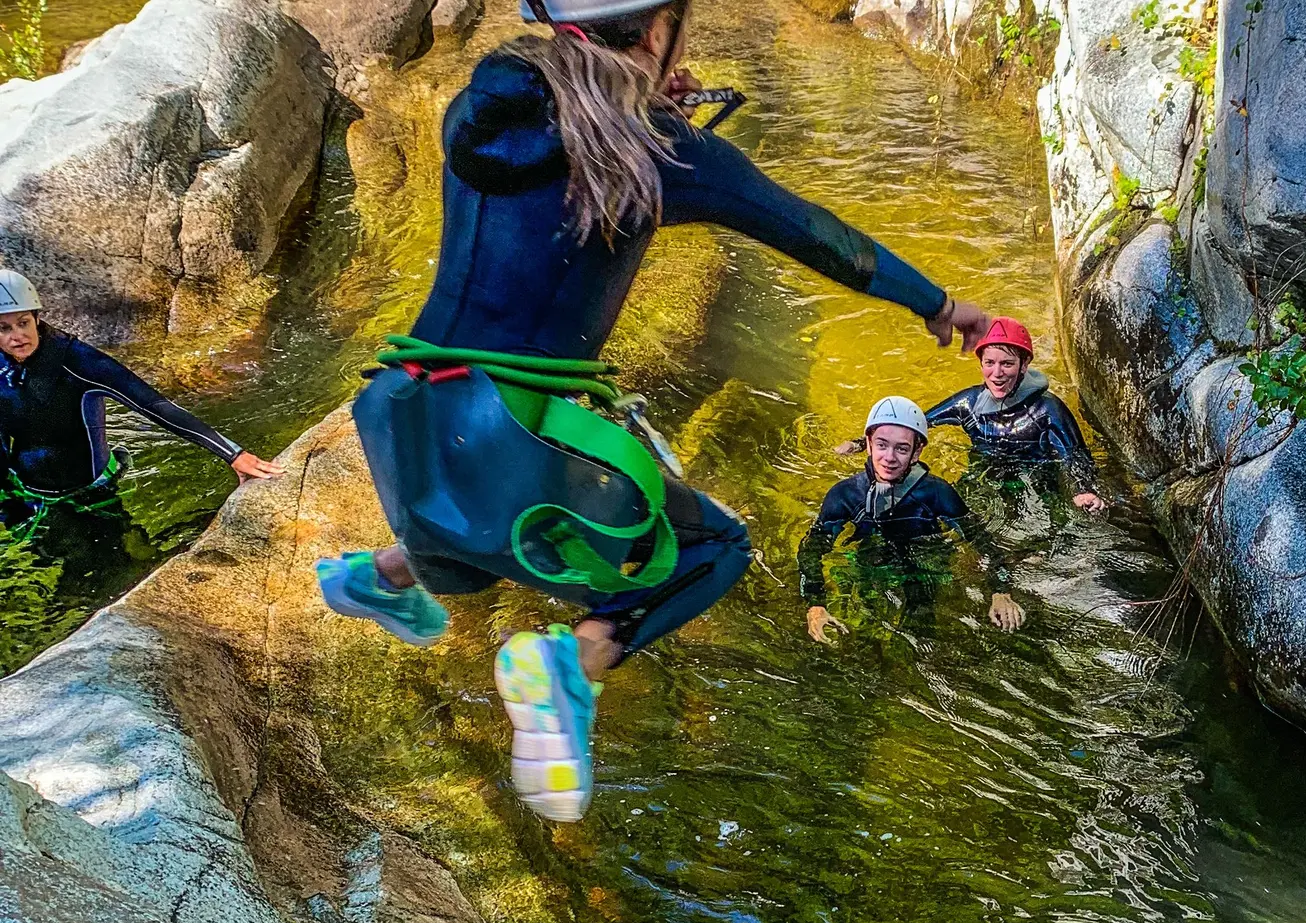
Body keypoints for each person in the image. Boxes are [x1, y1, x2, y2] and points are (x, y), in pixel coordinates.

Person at [313, 0, 994, 824]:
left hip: (405, 414)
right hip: (517, 433)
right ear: (656, 29)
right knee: (716, 547)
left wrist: (641, 96)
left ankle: (374, 577)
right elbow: (815, 232)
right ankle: (574, 665)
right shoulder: (661, 149)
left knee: (486, 541)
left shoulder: (473, 106)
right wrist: (938, 303)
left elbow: (555, 152)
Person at [0, 269, 283, 567]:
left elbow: (155, 405)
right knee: (46, 563)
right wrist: (8, 502)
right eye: (4, 328)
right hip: (27, 493)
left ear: (37, 317)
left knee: (107, 569)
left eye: (23, 323)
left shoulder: (78, 362)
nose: (18, 336)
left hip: (92, 492)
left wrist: (232, 454)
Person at [801, 396, 1024, 644]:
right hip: (869, 560)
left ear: (917, 452)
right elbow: (812, 548)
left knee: (922, 630)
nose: (889, 458)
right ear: (868, 444)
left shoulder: (937, 494)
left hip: (925, 564)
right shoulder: (844, 495)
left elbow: (985, 543)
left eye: (902, 448)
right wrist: (815, 604)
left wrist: (1000, 590)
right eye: (882, 445)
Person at [837, 316, 1106, 513]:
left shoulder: (1048, 411)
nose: (997, 374)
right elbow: (915, 423)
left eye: (1007, 364)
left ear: (1025, 364)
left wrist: (1084, 489)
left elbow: (1075, 456)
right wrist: (861, 444)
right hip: (983, 476)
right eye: (989, 363)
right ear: (981, 364)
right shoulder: (970, 403)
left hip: (1036, 479)